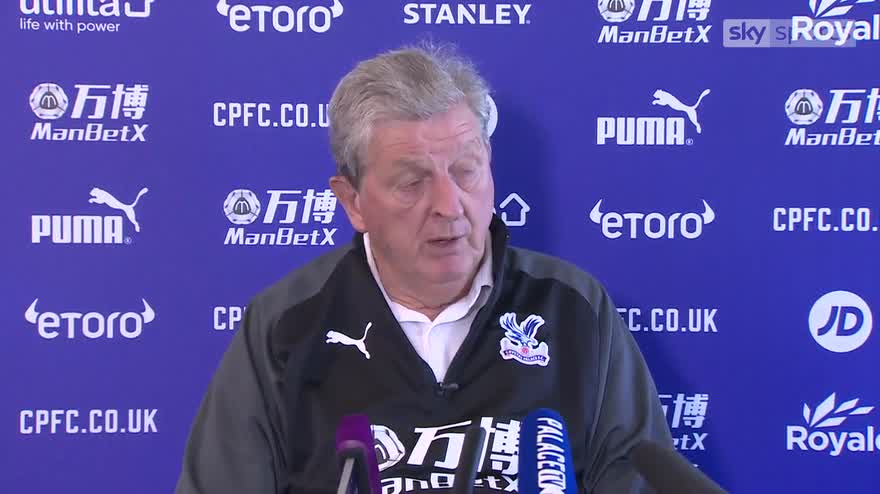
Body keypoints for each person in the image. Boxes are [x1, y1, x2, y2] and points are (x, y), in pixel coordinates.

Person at [175, 42, 672, 494]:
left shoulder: (574, 308)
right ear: (352, 201)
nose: (449, 206)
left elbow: (640, 480)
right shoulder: (285, 324)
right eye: (412, 182)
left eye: (466, 171)